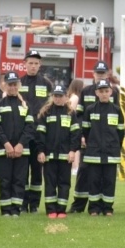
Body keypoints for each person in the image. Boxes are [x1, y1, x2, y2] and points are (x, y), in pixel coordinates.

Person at [70, 61, 119, 213]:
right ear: (93, 74)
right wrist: (82, 136)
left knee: (103, 176)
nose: (100, 76)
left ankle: (102, 206)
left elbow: (117, 117)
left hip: (107, 143)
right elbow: (79, 115)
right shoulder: (86, 91)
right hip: (89, 141)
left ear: (107, 74)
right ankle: (78, 206)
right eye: (98, 73)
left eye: (103, 73)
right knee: (84, 172)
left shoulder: (114, 92)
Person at [0, 72, 35, 217]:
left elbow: (30, 127)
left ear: (19, 85)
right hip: (4, 150)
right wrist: (6, 144)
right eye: (10, 84)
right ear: (4, 85)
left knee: (19, 180)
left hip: (22, 151)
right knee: (5, 180)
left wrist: (21, 144)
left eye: (15, 84)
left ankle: (16, 209)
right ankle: (6, 210)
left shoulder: (25, 105)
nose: (12, 87)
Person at [35, 84, 80, 218]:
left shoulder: (71, 113)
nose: (58, 98)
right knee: (50, 183)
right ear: (52, 96)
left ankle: (61, 210)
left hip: (65, 156)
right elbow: (40, 134)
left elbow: (75, 134)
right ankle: (51, 210)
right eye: (55, 96)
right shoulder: (46, 112)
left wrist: (72, 150)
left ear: (66, 97)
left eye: (60, 96)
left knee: (64, 184)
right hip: (49, 156)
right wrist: (40, 151)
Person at [81, 79, 125, 217]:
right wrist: (92, 143)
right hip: (93, 152)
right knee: (94, 180)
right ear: (96, 93)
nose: (104, 94)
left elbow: (120, 132)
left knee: (109, 181)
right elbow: (86, 130)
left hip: (111, 152)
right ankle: (94, 208)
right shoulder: (90, 109)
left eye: (106, 91)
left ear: (111, 92)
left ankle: (108, 208)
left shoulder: (117, 110)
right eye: (101, 91)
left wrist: (114, 145)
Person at [19, 49, 54, 213]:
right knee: (22, 170)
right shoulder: (19, 83)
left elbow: (51, 106)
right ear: (25, 64)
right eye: (30, 63)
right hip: (23, 133)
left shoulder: (47, 84)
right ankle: (23, 203)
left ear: (40, 65)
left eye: (36, 63)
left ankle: (34, 205)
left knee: (37, 170)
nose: (33, 66)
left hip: (40, 133)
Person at [66, 78, 84, 176]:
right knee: (76, 147)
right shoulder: (76, 98)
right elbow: (71, 112)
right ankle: (75, 167)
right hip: (73, 125)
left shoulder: (70, 97)